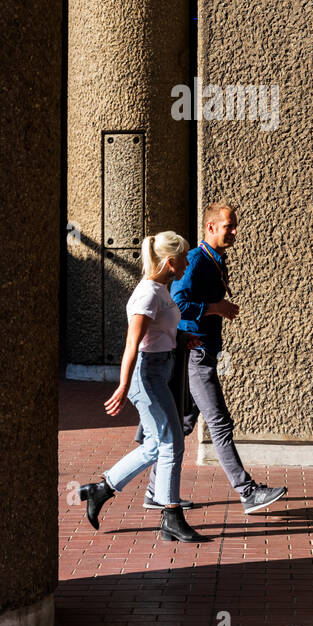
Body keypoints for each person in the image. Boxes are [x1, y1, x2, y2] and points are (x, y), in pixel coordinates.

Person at [145, 203, 287, 516]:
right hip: (196, 353)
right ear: (210, 228)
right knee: (219, 422)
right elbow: (177, 302)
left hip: (202, 351)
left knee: (181, 425)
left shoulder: (215, 260)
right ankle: (248, 493)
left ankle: (156, 490)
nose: (234, 232)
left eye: (234, 226)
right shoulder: (196, 259)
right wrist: (215, 308)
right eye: (228, 227)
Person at [78, 231, 210, 544]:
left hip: (159, 371)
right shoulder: (147, 294)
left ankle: (102, 488)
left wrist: (180, 338)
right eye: (184, 259)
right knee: (172, 443)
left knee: (155, 445)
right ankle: (171, 517)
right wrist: (123, 386)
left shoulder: (161, 289)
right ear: (169, 261)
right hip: (147, 377)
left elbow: (160, 330)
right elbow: (131, 344)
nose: (187, 263)